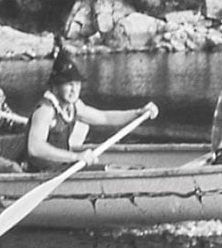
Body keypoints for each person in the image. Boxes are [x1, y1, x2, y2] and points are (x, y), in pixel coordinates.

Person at [24, 51, 158, 172]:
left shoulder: (74, 106)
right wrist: (76, 156)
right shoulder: (45, 110)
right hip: (43, 172)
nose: (74, 90)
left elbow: (105, 117)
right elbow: (35, 148)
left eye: (77, 84)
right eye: (69, 84)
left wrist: (138, 113)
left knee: (117, 168)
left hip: (63, 167)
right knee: (110, 170)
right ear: (55, 86)